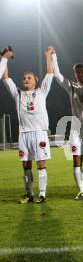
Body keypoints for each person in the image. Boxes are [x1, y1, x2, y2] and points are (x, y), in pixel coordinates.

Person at [1, 47, 54, 203]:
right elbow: (5, 77)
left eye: (29, 78)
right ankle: (29, 193)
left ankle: (42, 194)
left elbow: (50, 74)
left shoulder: (42, 92)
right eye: (24, 78)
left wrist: (48, 56)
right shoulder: (18, 94)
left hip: (39, 133)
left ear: (35, 81)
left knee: (41, 164)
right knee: (26, 165)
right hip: (24, 134)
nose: (26, 79)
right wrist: (5, 59)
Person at [52, 44, 83, 200]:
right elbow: (57, 74)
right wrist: (53, 56)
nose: (79, 74)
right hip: (75, 128)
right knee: (76, 159)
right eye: (77, 72)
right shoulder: (71, 87)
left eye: (82, 71)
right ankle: (81, 190)